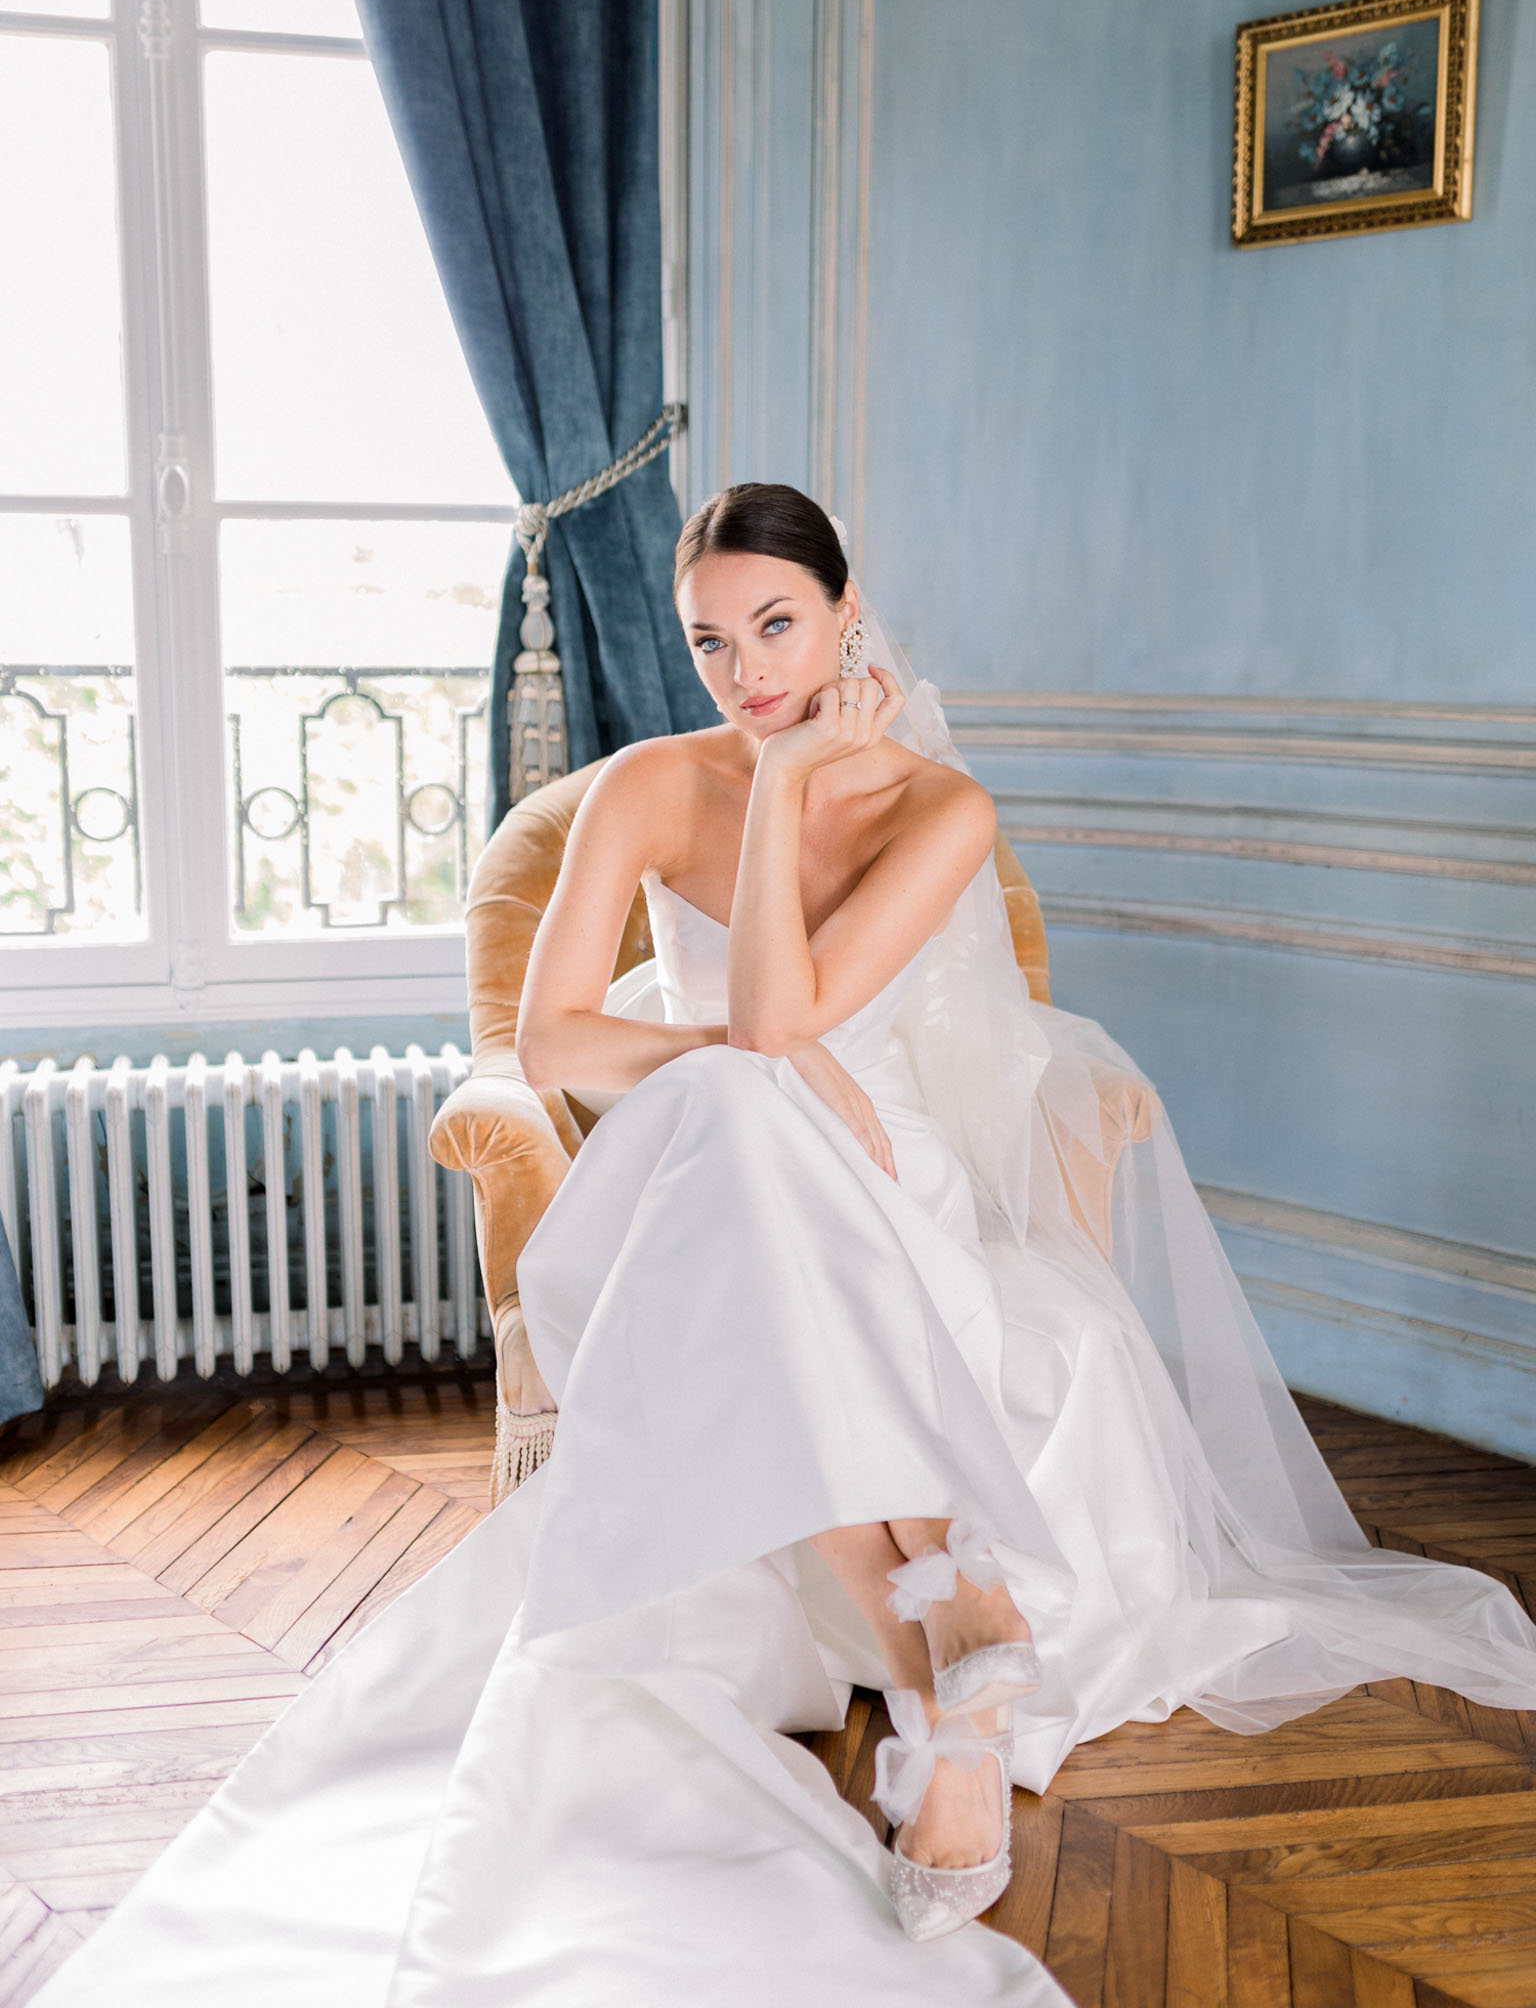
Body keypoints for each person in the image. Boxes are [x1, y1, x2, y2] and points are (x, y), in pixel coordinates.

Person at [29, 485, 1536, 2008]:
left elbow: (781, 1014)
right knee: (738, 1106)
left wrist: (791, 807)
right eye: (709, 641)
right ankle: (949, 1626)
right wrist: (745, 1000)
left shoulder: (943, 813)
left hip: (885, 1186)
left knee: (754, 1105)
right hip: (690, 1167)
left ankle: (938, 1662)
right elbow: (562, 1041)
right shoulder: (641, 786)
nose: (745, 672)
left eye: (776, 626)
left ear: (843, 611)